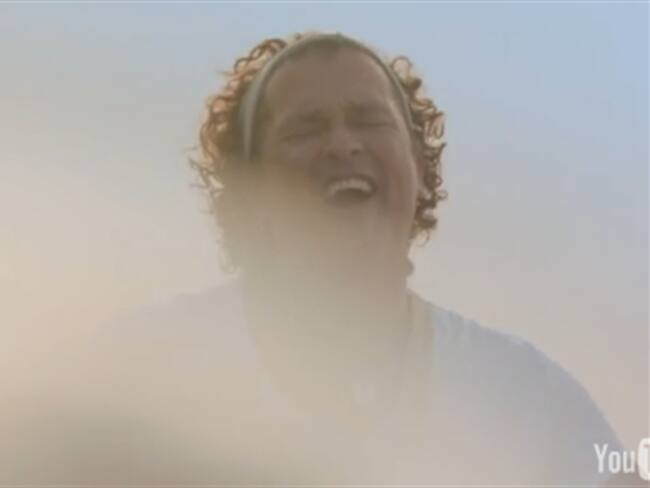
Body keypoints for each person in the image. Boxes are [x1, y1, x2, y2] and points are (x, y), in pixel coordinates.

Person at [1, 31, 643, 486]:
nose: (342, 143)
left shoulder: (525, 399)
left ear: (419, 170)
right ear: (249, 193)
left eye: (369, 120)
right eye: (305, 129)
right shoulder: (140, 373)